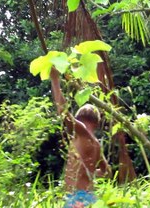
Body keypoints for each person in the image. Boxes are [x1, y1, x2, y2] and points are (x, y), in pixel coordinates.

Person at [49, 67, 111, 207]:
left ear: (79, 118)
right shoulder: (97, 145)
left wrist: (55, 80)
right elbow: (107, 172)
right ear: (96, 123)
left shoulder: (81, 130)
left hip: (77, 199)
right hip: (90, 197)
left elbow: (63, 112)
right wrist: (89, 172)